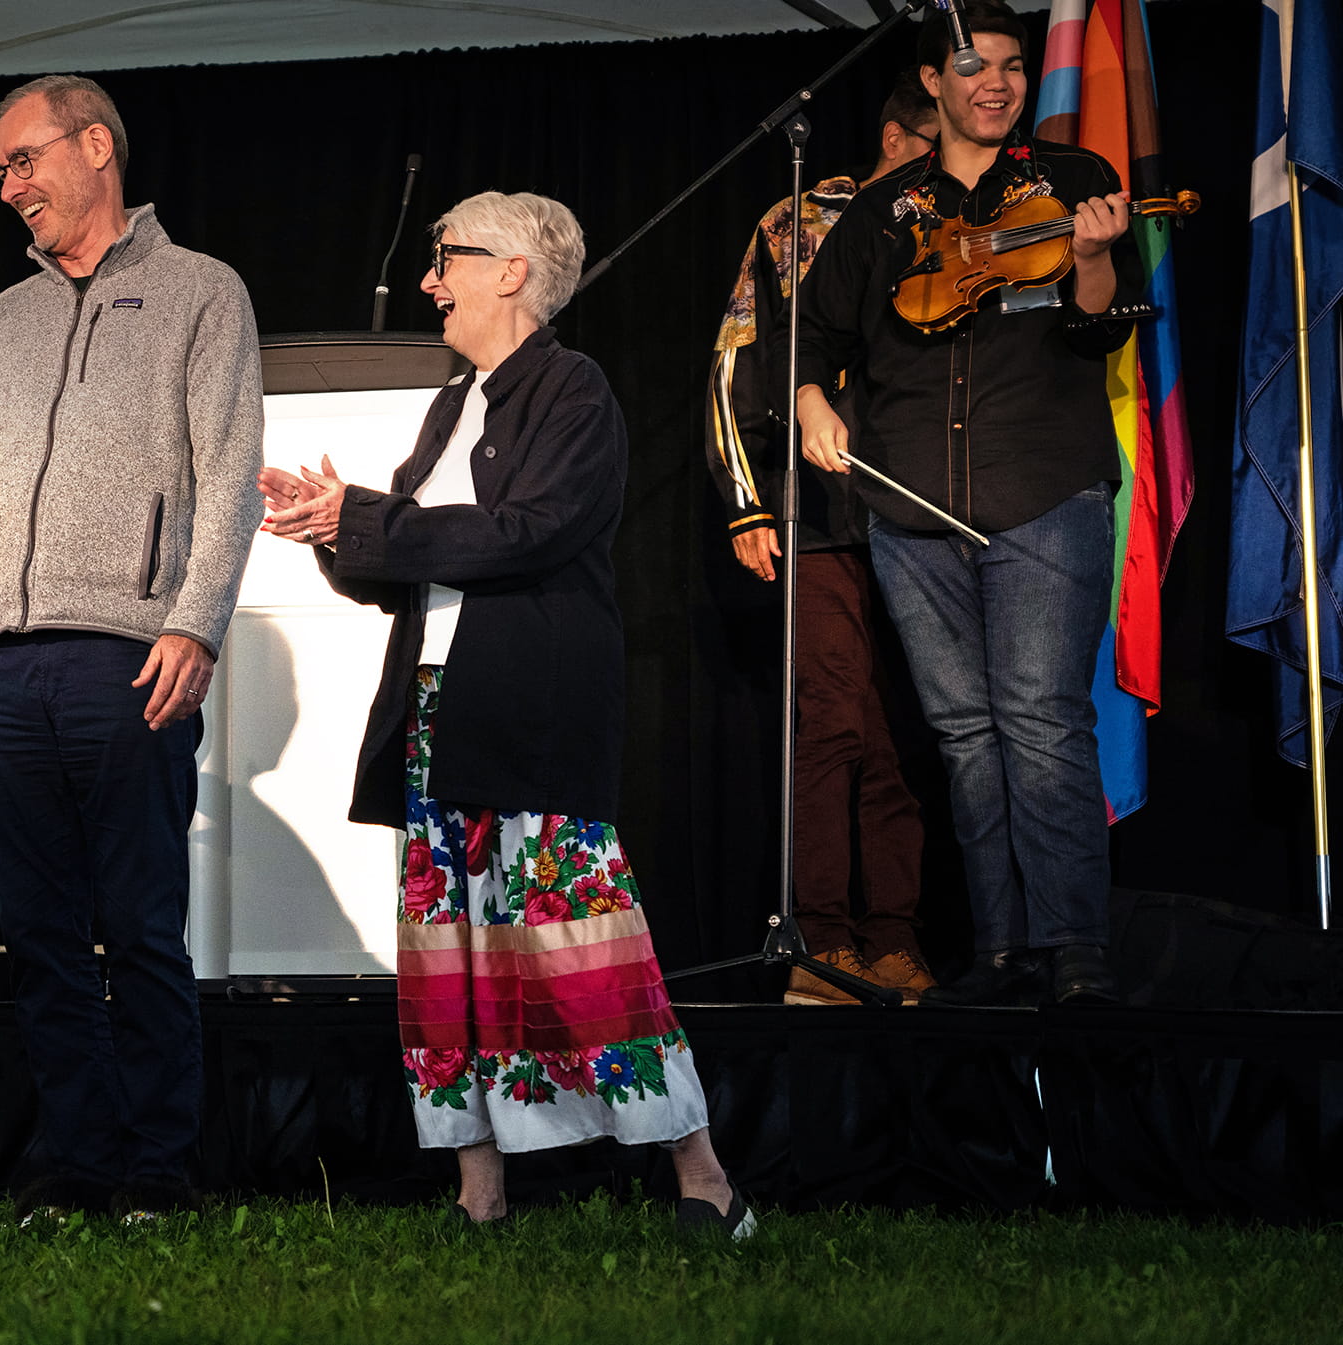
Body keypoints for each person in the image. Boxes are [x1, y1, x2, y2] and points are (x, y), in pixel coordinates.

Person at [260, 192, 752, 1238]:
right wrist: (330, 529)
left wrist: (372, 520)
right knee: (451, 955)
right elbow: (401, 569)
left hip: (529, 711)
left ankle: (703, 1175)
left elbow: (520, 533)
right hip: (436, 710)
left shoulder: (572, 391)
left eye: (450, 259)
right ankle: (479, 1193)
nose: (433, 280)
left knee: (577, 939)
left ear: (515, 271)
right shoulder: (451, 403)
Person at [0, 75, 263, 1224]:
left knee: (137, 926)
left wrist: (194, 619)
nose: (10, 187)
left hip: (130, 655)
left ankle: (157, 1167)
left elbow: (229, 472)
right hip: (12, 667)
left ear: (97, 146)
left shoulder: (201, 292)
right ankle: (80, 1161)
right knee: (38, 933)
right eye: (0, 172)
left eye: (24, 160)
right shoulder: (4, 320)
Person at [793, 2, 1142, 1007]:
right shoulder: (879, 213)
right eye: (972, 65)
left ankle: (1076, 951)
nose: (995, 81)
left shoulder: (1073, 182)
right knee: (964, 734)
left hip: (1042, 489)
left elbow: (1104, 332)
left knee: (1039, 722)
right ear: (932, 84)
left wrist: (1089, 255)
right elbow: (810, 337)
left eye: (1012, 66)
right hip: (911, 504)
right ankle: (1001, 954)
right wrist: (815, 395)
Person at [707, 74, 938, 1005]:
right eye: (932, 147)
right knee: (834, 722)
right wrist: (745, 499)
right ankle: (823, 945)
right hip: (824, 512)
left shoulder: (957, 219)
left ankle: (890, 940)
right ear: (896, 138)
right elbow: (737, 353)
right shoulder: (799, 217)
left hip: (926, 512)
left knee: (900, 738)